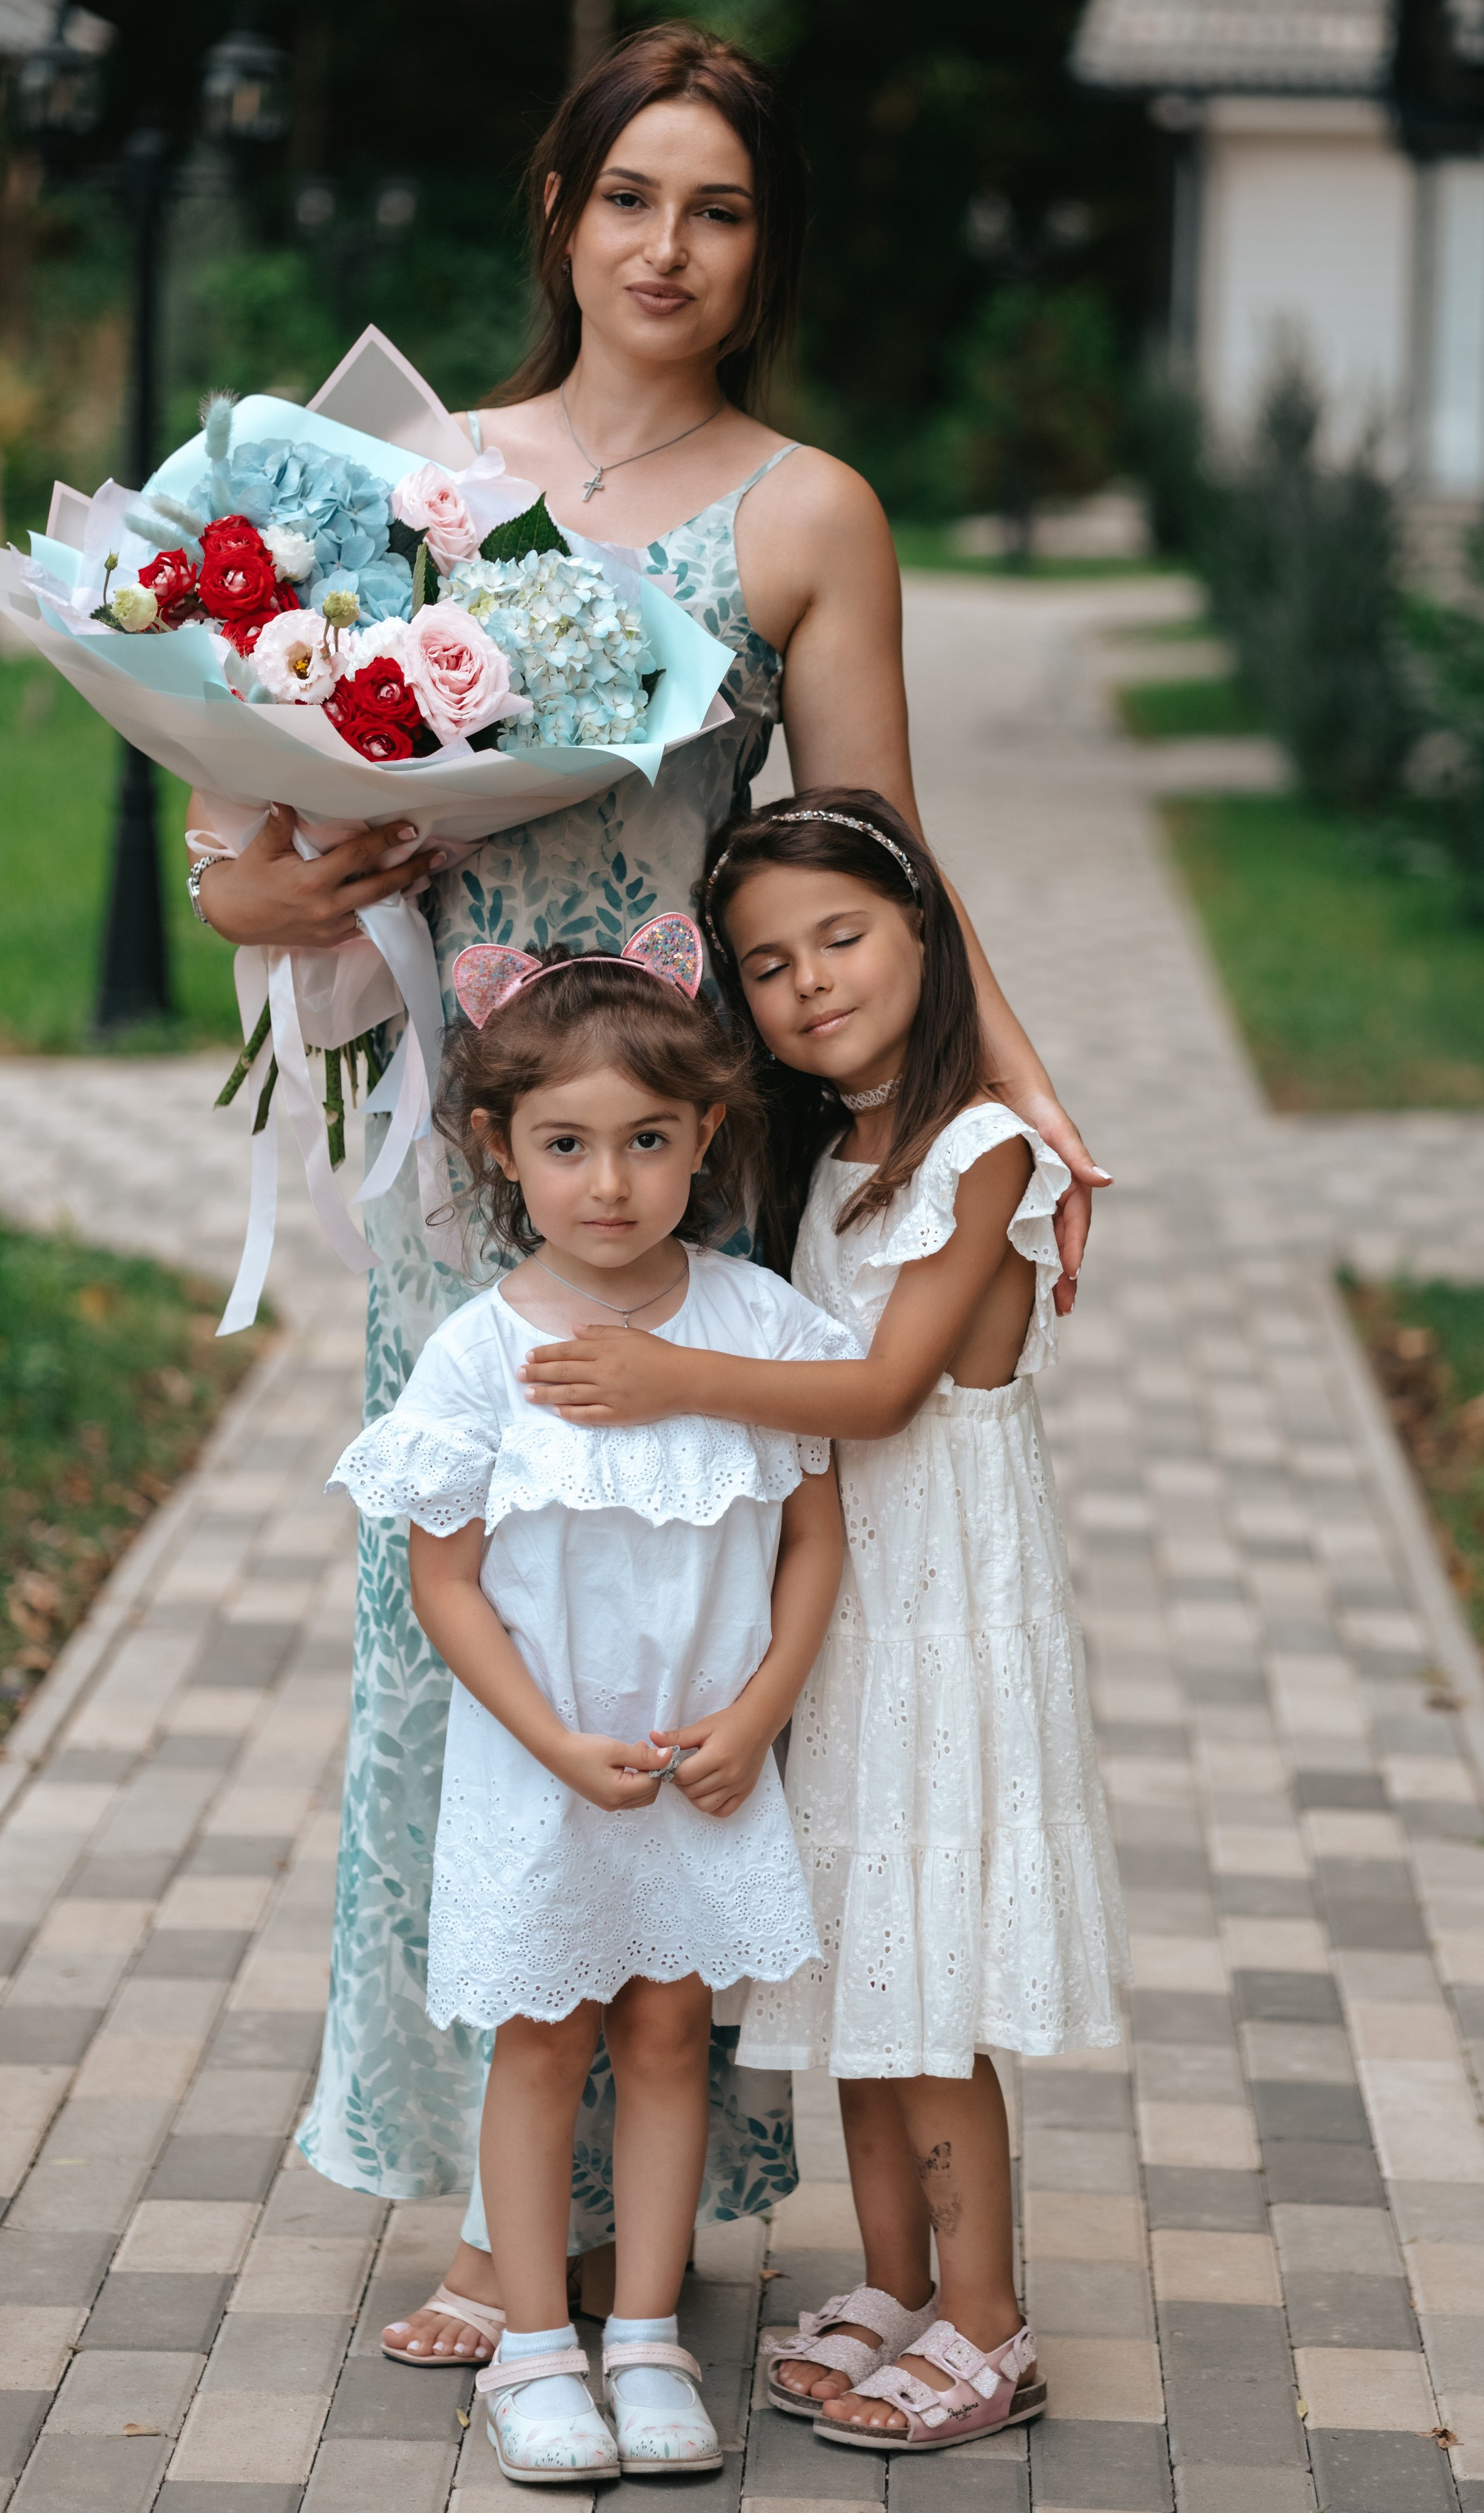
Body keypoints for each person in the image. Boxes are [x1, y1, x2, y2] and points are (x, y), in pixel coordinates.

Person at [184, 22, 1106, 2363]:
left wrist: (1023, 1096)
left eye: (717, 208)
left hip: (701, 1168)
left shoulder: (808, 510)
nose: (667, 248)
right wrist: (295, 877)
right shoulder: (415, 475)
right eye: (629, 200)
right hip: (469, 1167)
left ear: (761, 241)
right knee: (468, 1642)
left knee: (688, 1649)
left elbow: (878, 868)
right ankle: (506, 2213)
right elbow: (246, 870)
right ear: (562, 212)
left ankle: (659, 2191)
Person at [518, 791, 1130, 2455]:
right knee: (864, 1968)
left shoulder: (981, 1147)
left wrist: (661, 1377)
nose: (808, 986)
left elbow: (872, 1391)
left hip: (943, 1610)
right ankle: (888, 2278)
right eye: (770, 966)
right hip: (851, 1614)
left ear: (930, 934)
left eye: (842, 940)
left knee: (927, 1979)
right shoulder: (837, 1147)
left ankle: (987, 2322)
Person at [328, 921, 850, 2480]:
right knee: (544, 2042)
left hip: (705, 1765)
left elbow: (815, 1540)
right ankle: (536, 2349)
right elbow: (445, 1583)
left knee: (674, 2034)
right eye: (566, 1146)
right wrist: (549, 1738)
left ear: (705, 1137)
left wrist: (758, 1713)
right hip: (541, 1769)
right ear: (502, 1149)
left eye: (644, 1142)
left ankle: (645, 2338)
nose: (608, 1183)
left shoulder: (753, 1327)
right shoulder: (481, 1357)